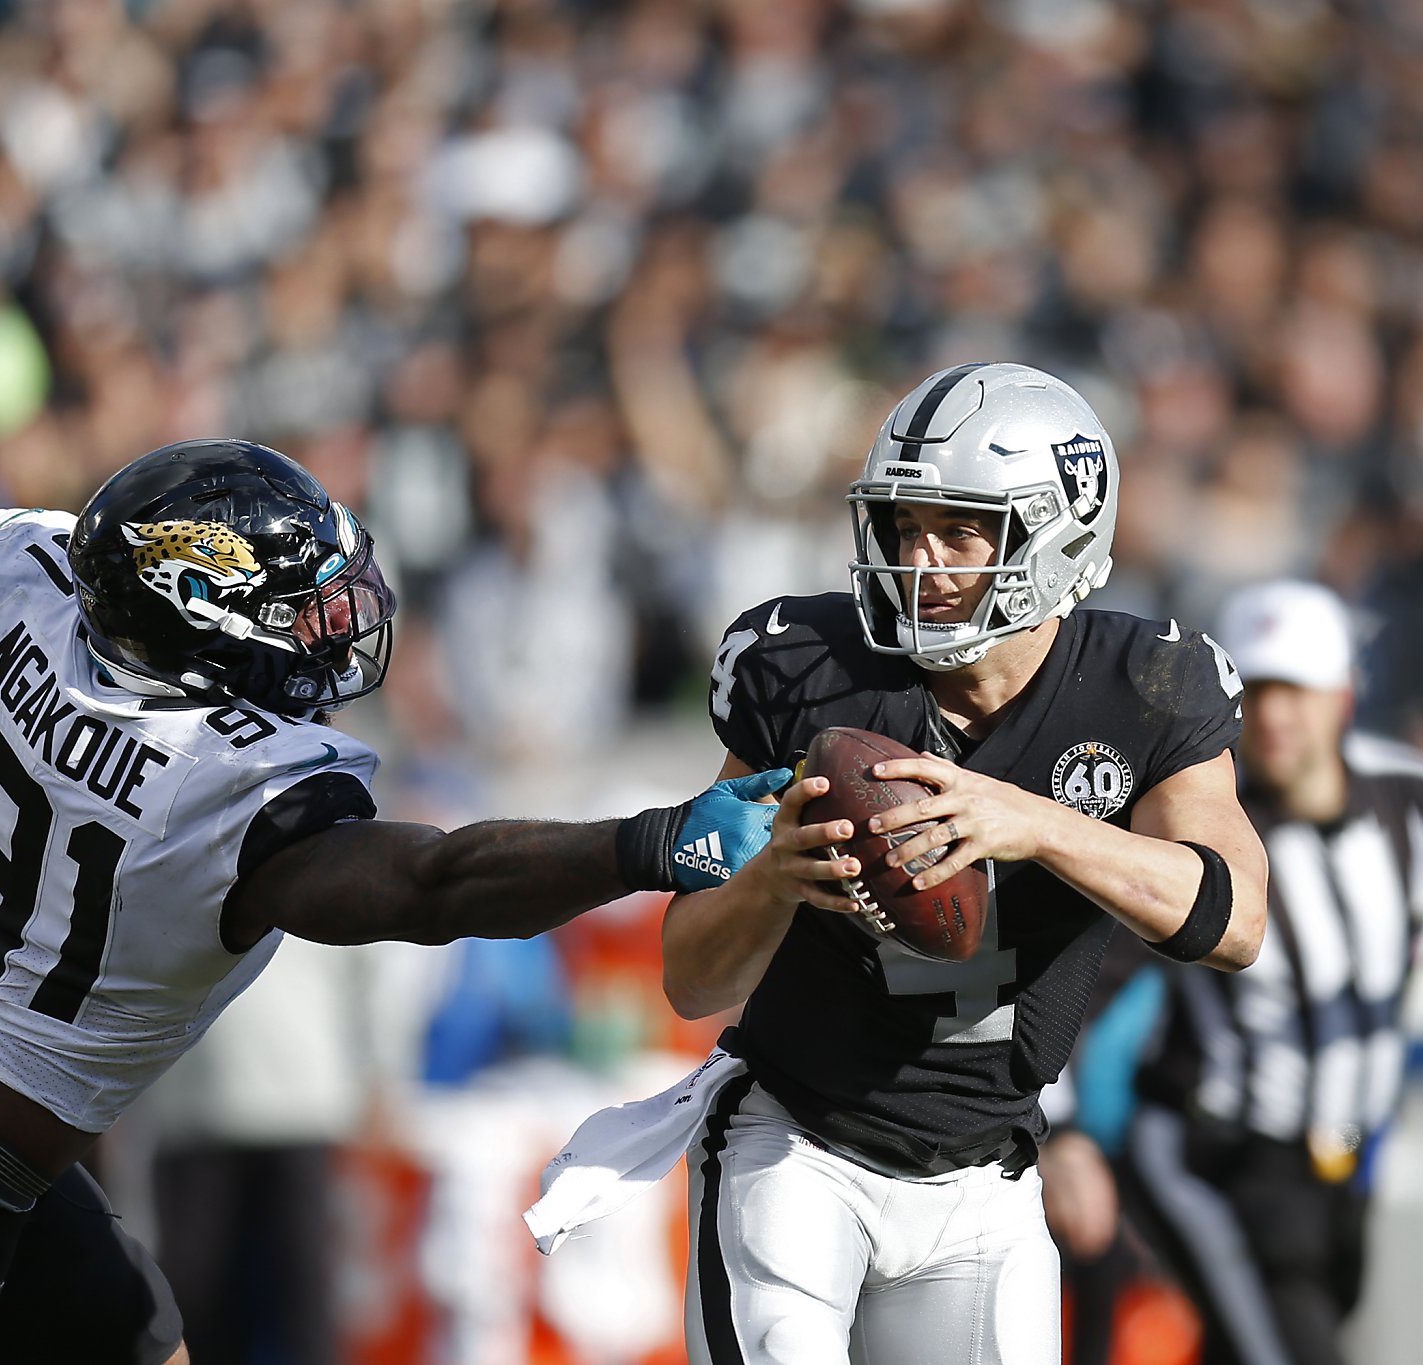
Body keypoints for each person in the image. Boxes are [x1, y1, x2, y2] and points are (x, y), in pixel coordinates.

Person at [0, 72, 833, 1365]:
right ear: (199, 614)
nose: (331, 623)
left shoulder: (20, 602)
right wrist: (644, 843)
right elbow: (434, 879)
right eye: (298, 604)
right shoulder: (225, 780)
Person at [528, 361, 1269, 1365]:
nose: (919, 560)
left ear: (1061, 533)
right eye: (902, 525)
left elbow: (1230, 921)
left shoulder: (1144, 683)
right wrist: (771, 879)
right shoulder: (806, 670)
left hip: (987, 1175)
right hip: (795, 1147)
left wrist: (1035, 823)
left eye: (959, 529)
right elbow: (692, 974)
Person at [1122, 578, 1423, 1365]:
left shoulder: (1410, 803)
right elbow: (1094, 966)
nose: (1274, 717)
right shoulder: (1198, 813)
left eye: (1296, 692)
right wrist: (1063, 1132)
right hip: (1222, 1155)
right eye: (1258, 691)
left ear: (1342, 695)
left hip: (1346, 1157)